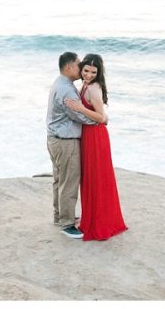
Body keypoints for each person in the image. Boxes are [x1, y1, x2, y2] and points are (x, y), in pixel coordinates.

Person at [65, 54, 127, 241]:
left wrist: (79, 108)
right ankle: (91, 218)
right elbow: (103, 116)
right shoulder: (84, 85)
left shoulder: (94, 88)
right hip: (88, 135)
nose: (89, 75)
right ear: (81, 69)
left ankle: (100, 223)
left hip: (96, 136)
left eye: (93, 72)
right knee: (90, 178)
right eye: (86, 71)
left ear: (98, 73)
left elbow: (100, 117)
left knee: (97, 178)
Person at [46, 52, 106, 239]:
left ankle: (59, 215)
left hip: (55, 139)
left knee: (59, 180)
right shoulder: (66, 90)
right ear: (69, 67)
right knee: (69, 182)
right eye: (79, 65)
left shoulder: (61, 83)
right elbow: (78, 116)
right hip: (66, 142)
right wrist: (101, 121)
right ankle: (67, 223)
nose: (81, 68)